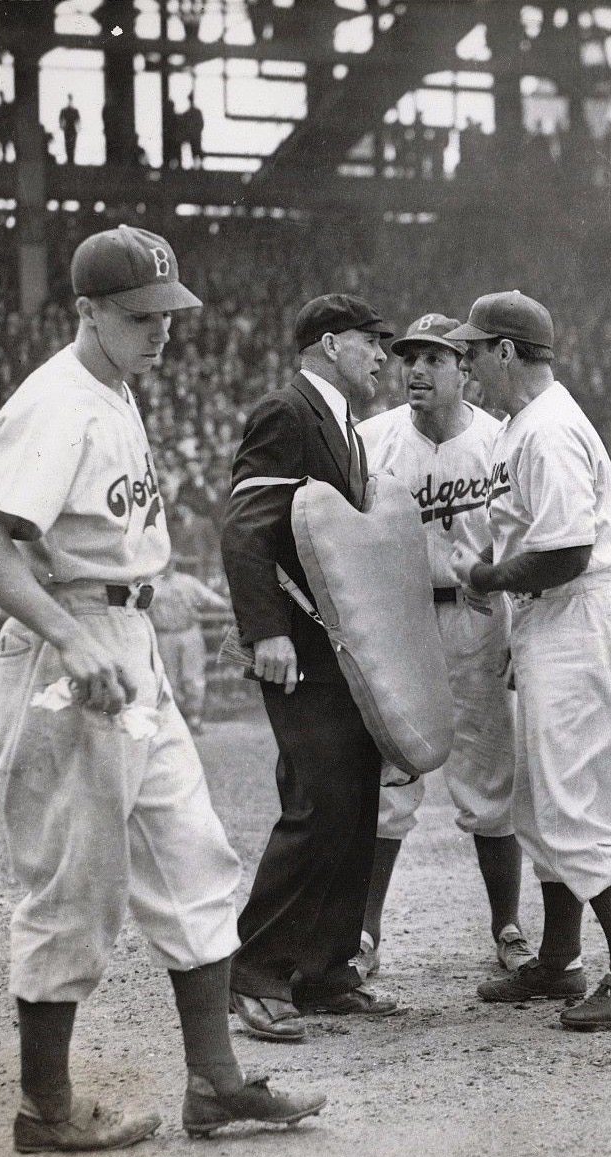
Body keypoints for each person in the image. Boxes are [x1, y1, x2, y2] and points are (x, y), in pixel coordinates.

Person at [0, 225, 324, 1153]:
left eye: (169, 312)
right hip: (68, 653)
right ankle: (46, 1107)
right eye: (139, 315)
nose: (162, 330)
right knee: (73, 882)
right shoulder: (57, 402)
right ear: (86, 310)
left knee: (193, 857)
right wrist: (72, 637)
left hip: (130, 642)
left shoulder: (116, 387)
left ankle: (217, 1083)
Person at [445, 291, 611, 1031]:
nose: (467, 364)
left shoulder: (547, 429)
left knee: (577, 800)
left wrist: (488, 578)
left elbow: (568, 550)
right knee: (540, 800)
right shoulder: (523, 426)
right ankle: (560, 958)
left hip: (582, 609)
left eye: (474, 350)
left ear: (507, 352)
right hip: (555, 618)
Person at [221, 293, 401, 1042]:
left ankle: (325, 970)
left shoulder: (345, 428)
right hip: (296, 647)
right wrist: (266, 631)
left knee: (355, 803)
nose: (383, 358)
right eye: (371, 343)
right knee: (318, 802)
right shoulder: (287, 412)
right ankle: (255, 972)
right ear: (330, 344)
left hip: (340, 652)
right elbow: (243, 524)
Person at [354, 312, 532, 979]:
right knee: (388, 781)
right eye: (409, 358)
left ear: (465, 369)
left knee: (489, 777)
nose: (417, 370)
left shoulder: (499, 440)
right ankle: (364, 934)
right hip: (401, 620)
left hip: (477, 617)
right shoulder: (372, 440)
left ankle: (508, 928)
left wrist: (517, 622)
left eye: (435, 358)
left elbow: (521, 537)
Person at [148, 554, 230, 735]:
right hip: (164, 635)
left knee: (193, 677)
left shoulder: (187, 582)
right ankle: (174, 720)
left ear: (174, 563)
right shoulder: (151, 584)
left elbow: (209, 597)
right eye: (164, 562)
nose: (167, 566)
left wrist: (226, 604)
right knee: (169, 679)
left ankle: (194, 719)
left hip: (189, 632)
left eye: (170, 562)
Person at [59, 95, 79, 165]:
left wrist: (78, 128)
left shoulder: (74, 110)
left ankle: (71, 160)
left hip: (71, 129)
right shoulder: (65, 110)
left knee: (72, 144)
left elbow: (78, 120)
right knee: (68, 144)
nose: (69, 101)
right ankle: (70, 160)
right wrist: (61, 126)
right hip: (68, 129)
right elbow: (60, 119)